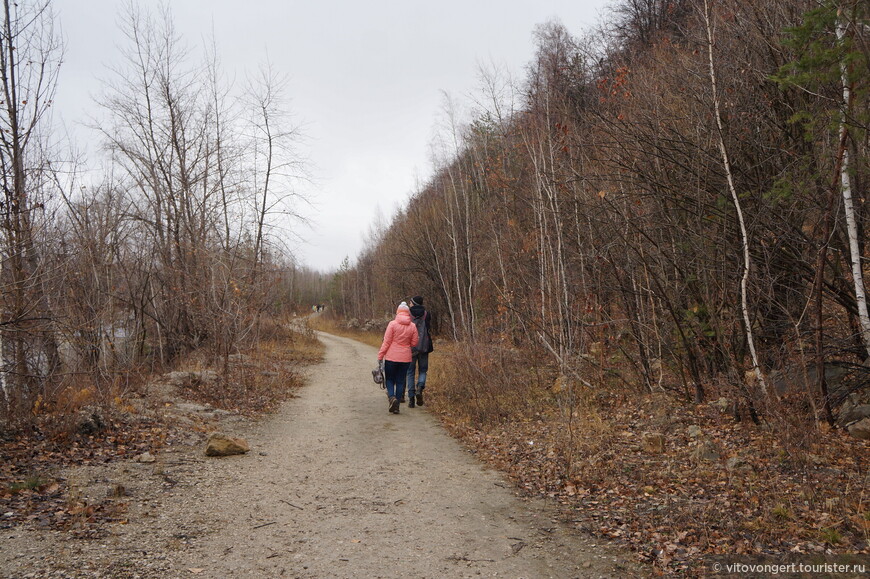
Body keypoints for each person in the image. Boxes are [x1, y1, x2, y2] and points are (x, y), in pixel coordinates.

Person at [377, 301, 418, 414]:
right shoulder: (412, 326)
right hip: (405, 358)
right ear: (408, 313)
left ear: (398, 312)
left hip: (391, 357)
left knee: (390, 379)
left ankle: (392, 397)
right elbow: (414, 343)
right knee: (400, 381)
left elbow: (386, 342)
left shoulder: (392, 324)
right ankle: (397, 406)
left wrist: (380, 355)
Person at [406, 295, 433, 408]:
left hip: (411, 347)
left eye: (411, 302)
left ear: (414, 303)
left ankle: (411, 399)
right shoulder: (427, 314)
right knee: (422, 370)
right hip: (424, 346)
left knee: (410, 372)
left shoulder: (408, 314)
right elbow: (429, 328)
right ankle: (420, 388)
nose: (409, 304)